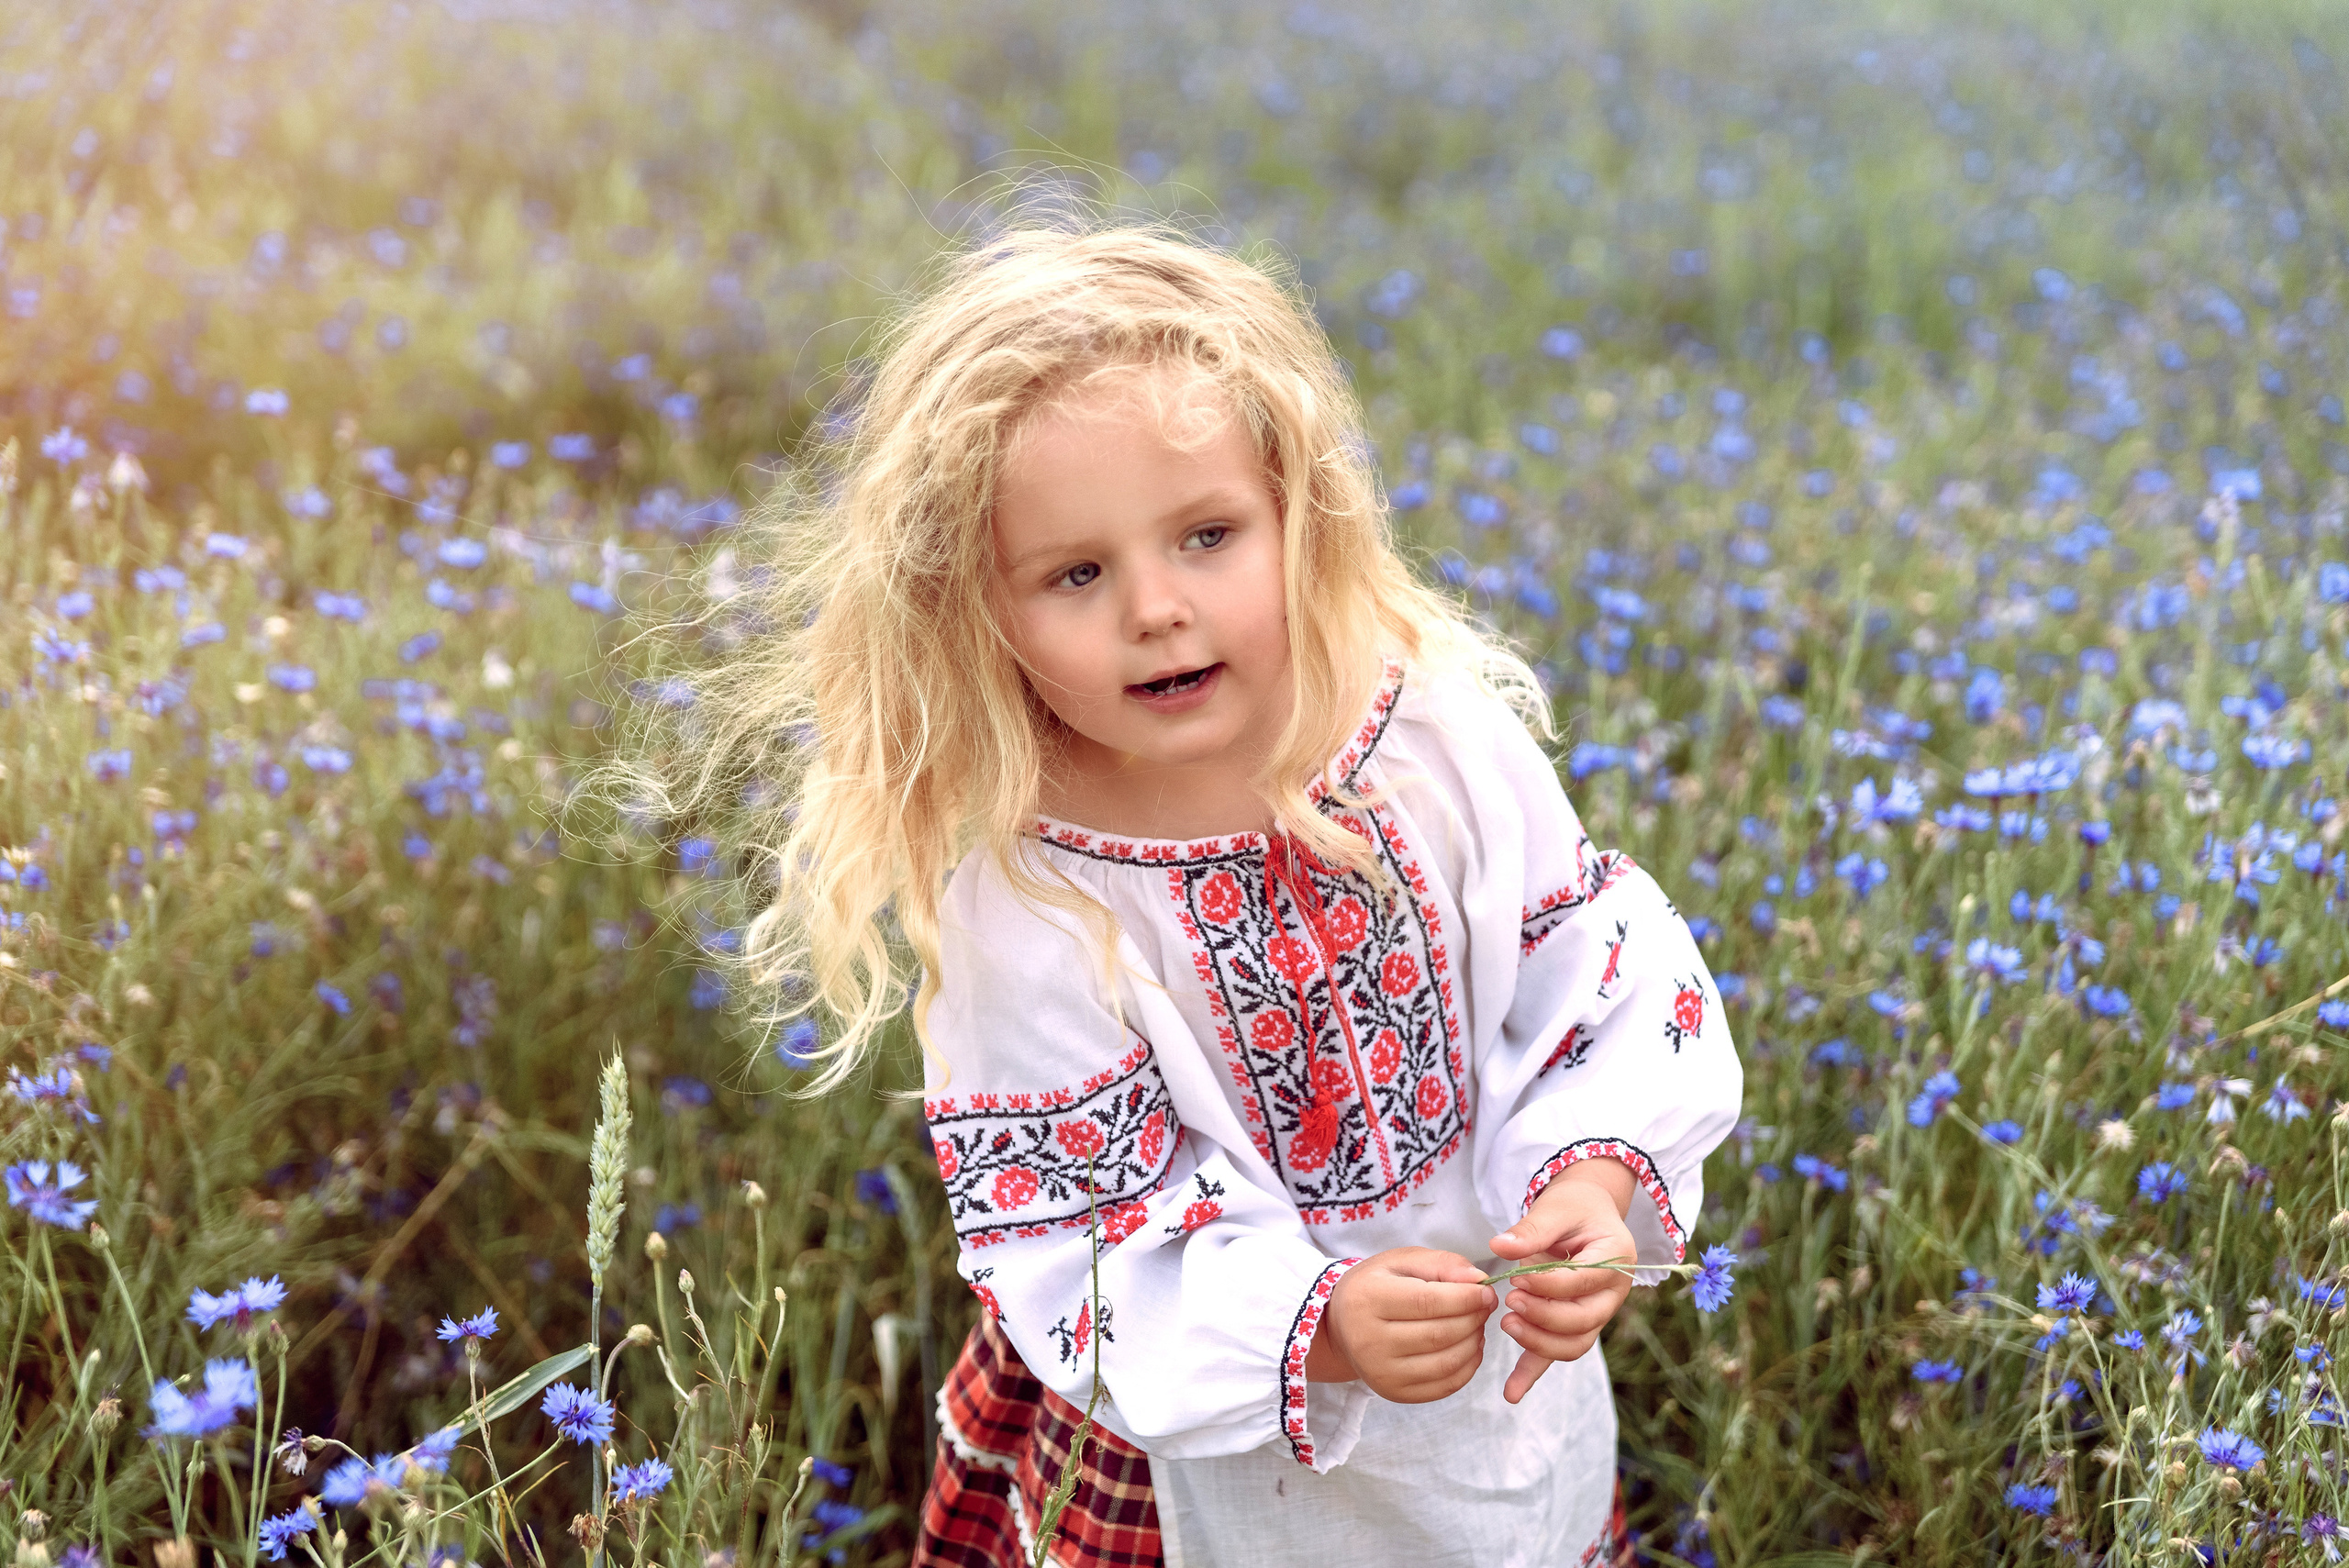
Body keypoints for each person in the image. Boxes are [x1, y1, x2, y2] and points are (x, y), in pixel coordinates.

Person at [681, 219, 1742, 1566]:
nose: (1156, 609)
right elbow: (1080, 1223)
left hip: (1491, 1382)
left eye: (1206, 535)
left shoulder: (1431, 742)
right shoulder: (1027, 889)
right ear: (976, 612)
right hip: (1182, 1443)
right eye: (1077, 573)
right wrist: (1320, 1323)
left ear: (1301, 514)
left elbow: (1590, 973)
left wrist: (1591, 1173)